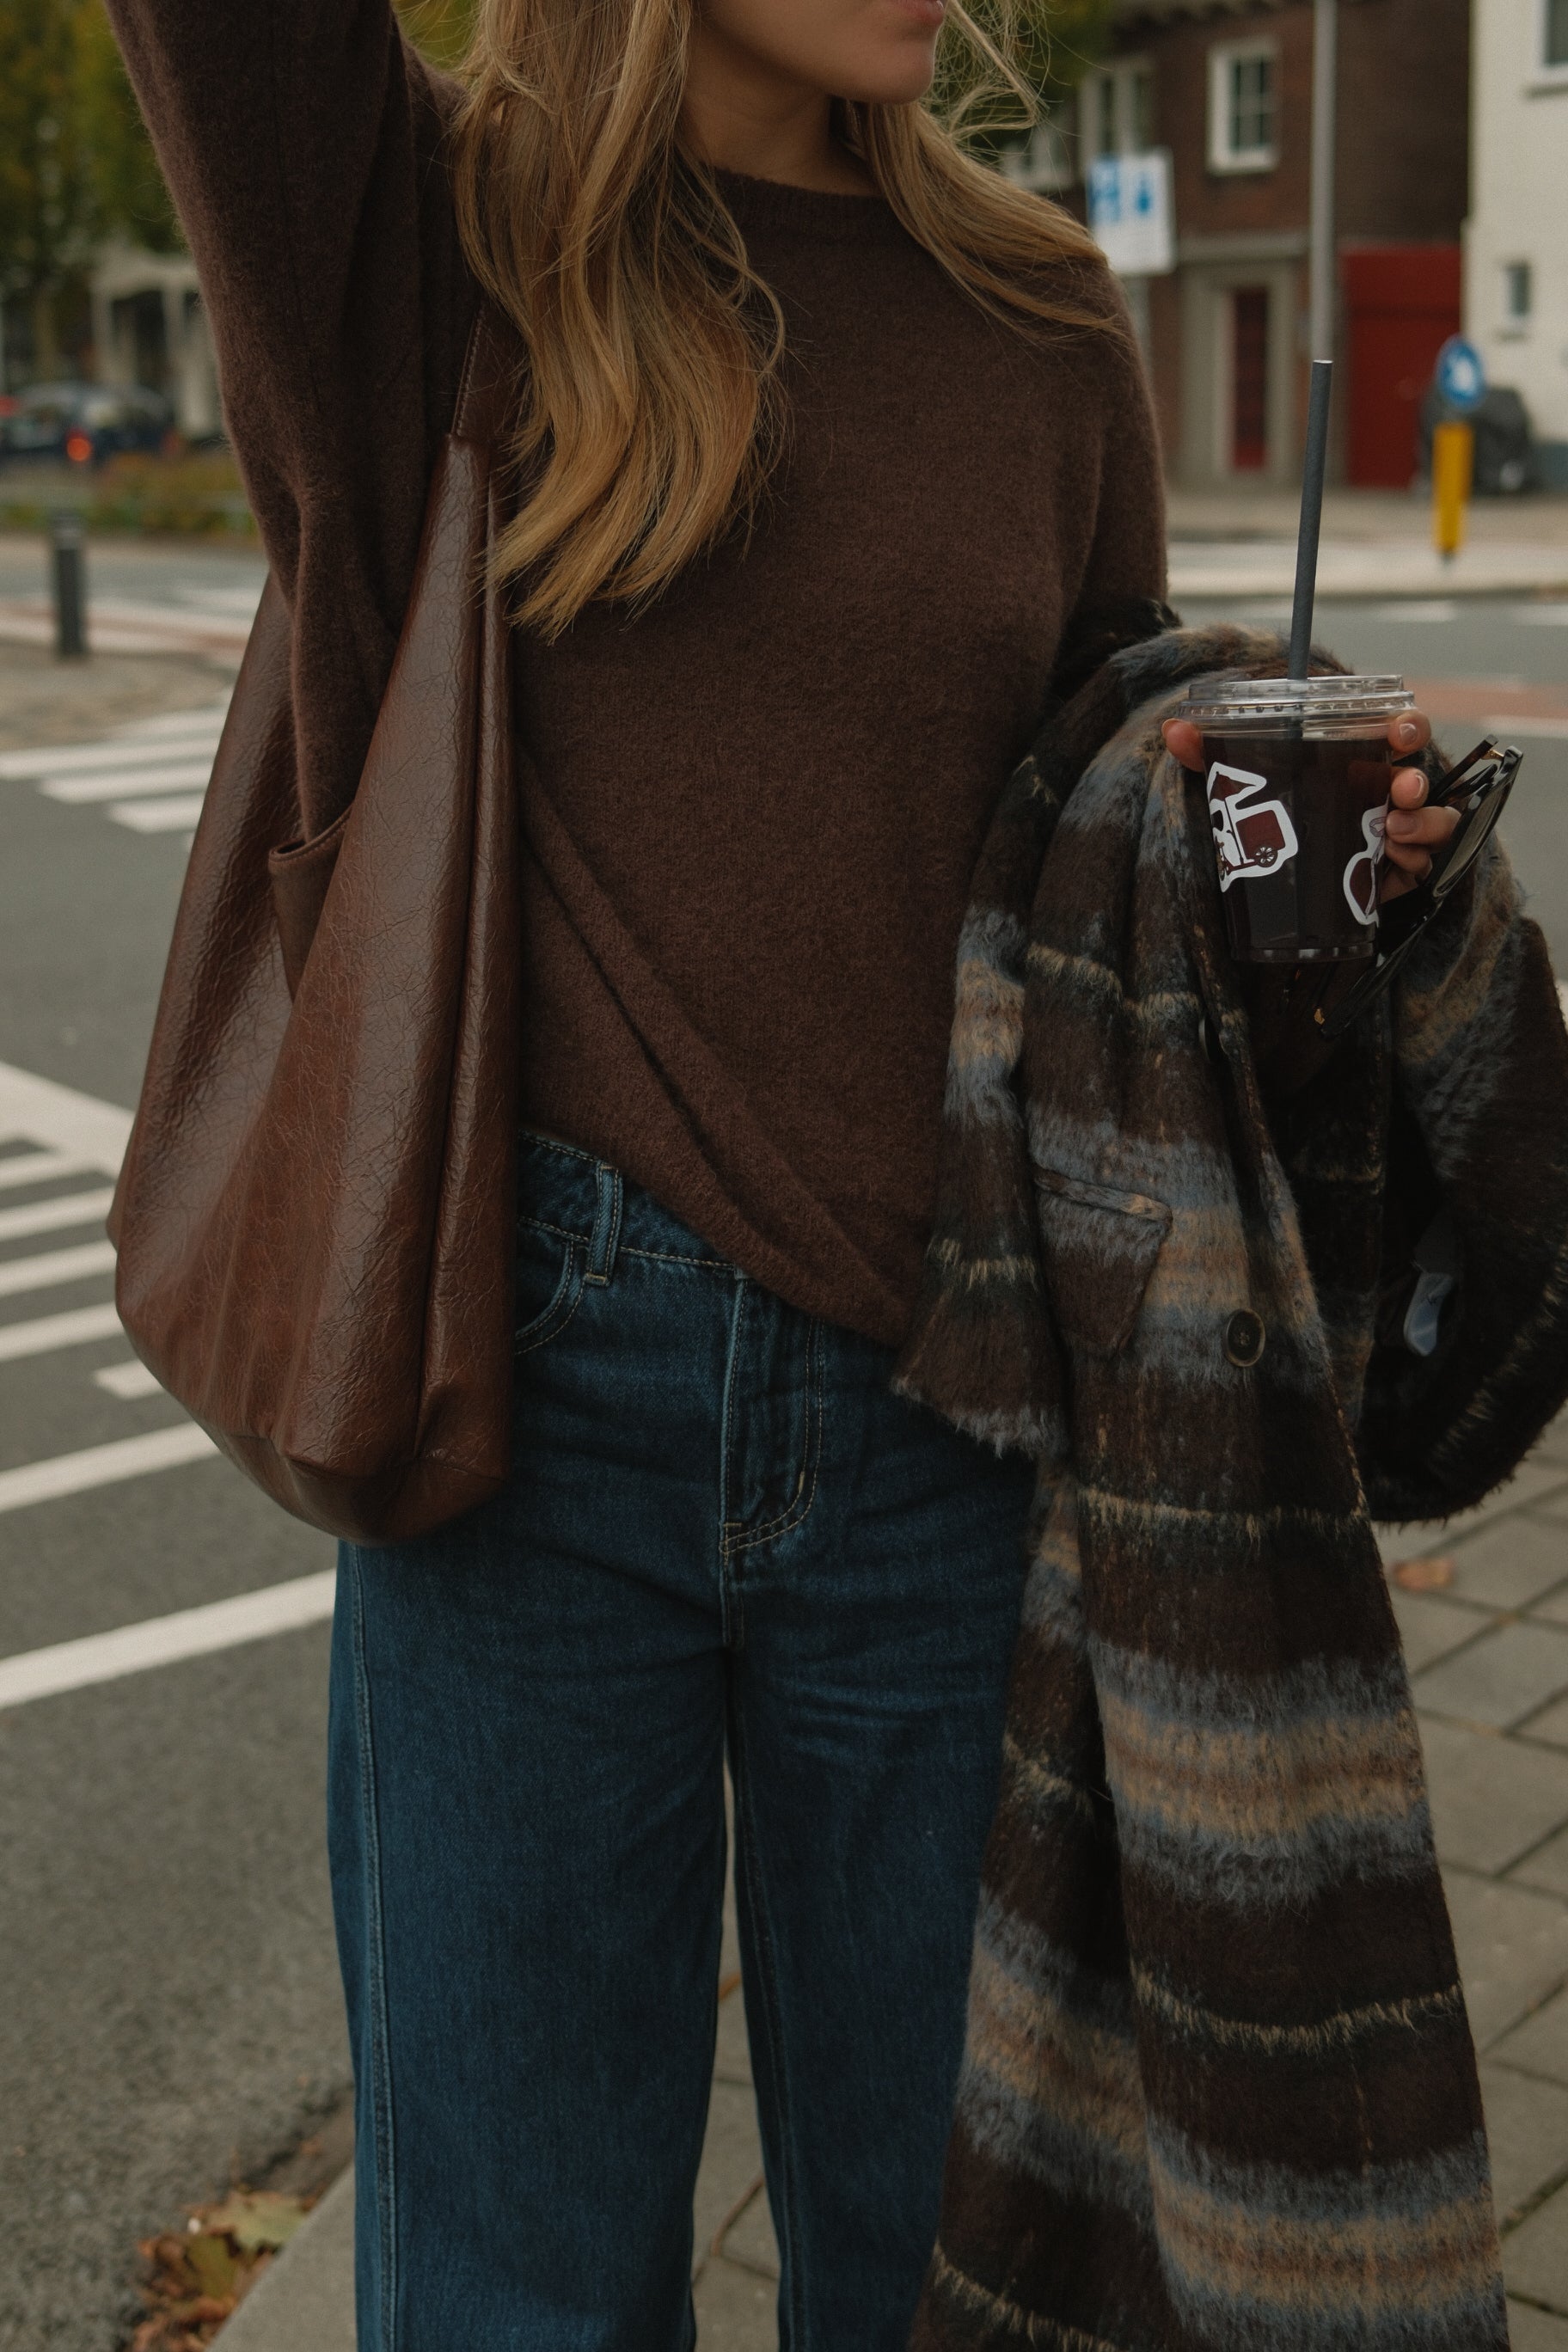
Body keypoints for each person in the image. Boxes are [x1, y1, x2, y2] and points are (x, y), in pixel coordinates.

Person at [104, 3, 1461, 2346]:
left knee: (954, 2280)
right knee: (515, 2295)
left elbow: (1094, 849)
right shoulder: (427, 239)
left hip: (955, 1429)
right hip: (518, 1423)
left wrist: (1304, 878)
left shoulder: (1040, 312)